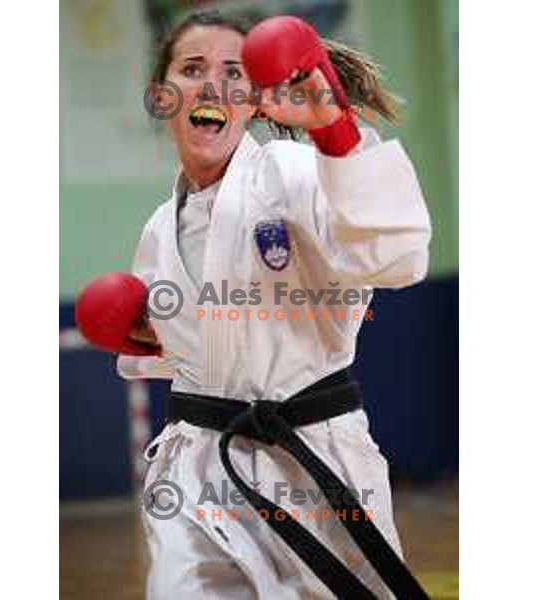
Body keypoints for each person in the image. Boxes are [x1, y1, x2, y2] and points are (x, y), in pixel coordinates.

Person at [77, 10, 432, 599]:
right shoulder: (159, 231)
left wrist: (335, 131)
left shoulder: (295, 173)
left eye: (233, 72)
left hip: (311, 460)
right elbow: (195, 359)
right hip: (196, 470)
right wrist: (142, 334)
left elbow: (395, 260)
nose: (212, 85)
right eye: (192, 69)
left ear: (256, 101)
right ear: (164, 95)